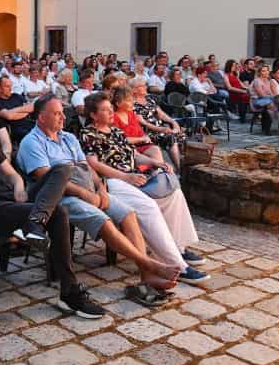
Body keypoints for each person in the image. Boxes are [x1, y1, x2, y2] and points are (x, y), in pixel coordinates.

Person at [0, 101, 107, 318]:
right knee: (59, 213)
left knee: (62, 170)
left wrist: (19, 188)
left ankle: (34, 224)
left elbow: (11, 173)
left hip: (13, 198)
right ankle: (69, 291)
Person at [16, 98, 181, 305]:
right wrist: (86, 195)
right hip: (60, 197)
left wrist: (101, 189)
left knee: (129, 213)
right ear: (41, 117)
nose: (63, 117)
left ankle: (146, 275)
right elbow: (46, 178)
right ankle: (150, 264)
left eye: (62, 112)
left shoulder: (68, 137)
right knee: (103, 220)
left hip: (89, 188)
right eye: (57, 113)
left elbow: (88, 168)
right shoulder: (32, 142)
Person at [80, 92, 208, 285]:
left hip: (133, 176)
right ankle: (177, 265)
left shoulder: (115, 131)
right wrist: (125, 176)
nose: (110, 112)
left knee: (174, 194)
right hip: (112, 181)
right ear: (93, 115)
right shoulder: (88, 133)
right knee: (149, 207)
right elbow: (93, 164)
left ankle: (178, 247)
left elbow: (134, 156)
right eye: (105, 110)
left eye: (110, 108)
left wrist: (155, 162)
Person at [129, 77, 185, 169]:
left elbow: (161, 114)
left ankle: (185, 165)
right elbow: (143, 123)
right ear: (134, 90)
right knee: (170, 138)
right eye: (143, 86)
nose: (146, 87)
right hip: (147, 133)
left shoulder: (150, 99)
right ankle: (179, 169)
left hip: (161, 130)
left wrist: (173, 122)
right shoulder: (132, 104)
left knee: (180, 135)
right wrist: (163, 129)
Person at [110, 86, 166, 163]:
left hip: (139, 145)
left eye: (132, 99)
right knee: (153, 161)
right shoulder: (113, 117)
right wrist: (141, 139)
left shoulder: (131, 114)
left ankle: (162, 172)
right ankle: (160, 170)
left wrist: (144, 138)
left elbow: (140, 132)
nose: (132, 102)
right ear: (118, 103)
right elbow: (121, 140)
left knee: (155, 149)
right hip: (126, 148)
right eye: (129, 100)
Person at [0, 76, 35, 144]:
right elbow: (9, 116)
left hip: (28, 122)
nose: (10, 89)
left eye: (11, 86)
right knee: (33, 136)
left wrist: (13, 111)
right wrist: (25, 111)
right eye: (7, 86)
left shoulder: (16, 96)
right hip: (14, 129)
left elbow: (32, 107)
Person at [249, 65, 279, 134]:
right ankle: (267, 129)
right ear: (259, 72)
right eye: (263, 71)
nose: (266, 72)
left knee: (271, 105)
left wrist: (274, 97)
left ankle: (267, 128)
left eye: (267, 70)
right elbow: (261, 95)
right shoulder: (257, 81)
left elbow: (271, 93)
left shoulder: (268, 81)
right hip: (256, 101)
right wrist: (273, 98)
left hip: (267, 101)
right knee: (271, 104)